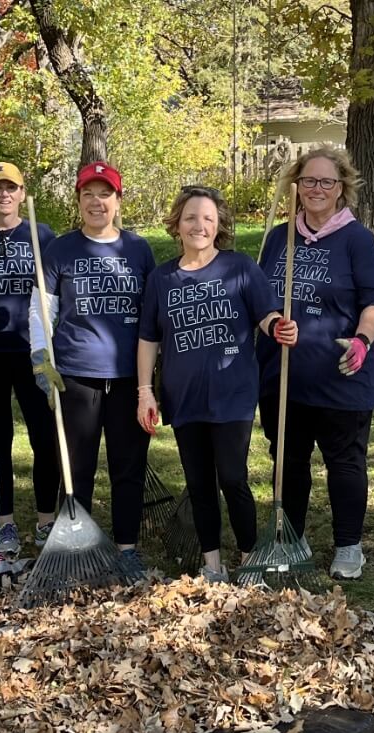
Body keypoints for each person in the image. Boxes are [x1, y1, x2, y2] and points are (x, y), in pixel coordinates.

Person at [136, 186, 297, 583]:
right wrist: (145, 391)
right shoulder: (162, 278)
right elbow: (148, 340)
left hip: (233, 394)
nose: (199, 225)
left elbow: (265, 314)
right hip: (184, 396)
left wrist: (279, 326)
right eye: (191, 217)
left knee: (232, 477)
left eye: (208, 218)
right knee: (199, 482)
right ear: (177, 224)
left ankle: (248, 557)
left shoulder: (240, 267)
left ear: (219, 225)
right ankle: (212, 563)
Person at [255, 144, 374, 579]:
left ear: (341, 189)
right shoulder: (279, 237)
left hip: (341, 375)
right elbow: (260, 300)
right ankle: (290, 539)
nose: (316, 189)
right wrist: (272, 323)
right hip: (284, 376)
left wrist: (362, 340)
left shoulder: (358, 240)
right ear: (296, 186)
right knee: (287, 460)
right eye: (308, 180)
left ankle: (348, 546)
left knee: (345, 462)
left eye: (326, 182)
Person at [29, 161, 155, 575]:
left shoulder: (138, 250)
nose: (96, 202)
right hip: (75, 376)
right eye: (88, 194)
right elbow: (42, 310)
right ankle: (78, 549)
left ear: (118, 200)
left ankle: (126, 549)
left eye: (105, 194)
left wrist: (152, 381)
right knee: (75, 466)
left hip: (126, 378)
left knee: (128, 468)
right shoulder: (60, 249)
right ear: (79, 200)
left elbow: (153, 318)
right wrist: (39, 360)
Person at [0, 162, 60, 555]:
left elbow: (55, 293)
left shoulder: (41, 236)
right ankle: (6, 522)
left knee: (45, 437)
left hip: (33, 353)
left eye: (11, 188)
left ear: (23, 194)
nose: (4, 195)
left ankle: (46, 519)